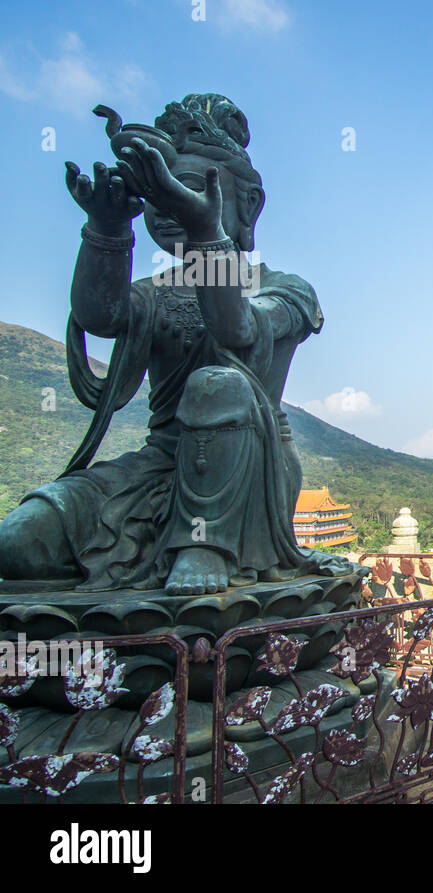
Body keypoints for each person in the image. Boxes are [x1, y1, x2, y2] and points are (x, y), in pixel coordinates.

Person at [0, 94, 346, 594]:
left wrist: (206, 232)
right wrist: (107, 226)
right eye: (157, 193)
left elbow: (238, 331)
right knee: (16, 542)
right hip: (157, 466)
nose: (169, 206)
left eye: (183, 189)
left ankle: (206, 545)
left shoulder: (285, 289)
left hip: (249, 475)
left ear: (246, 204)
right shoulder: (154, 293)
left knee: (216, 383)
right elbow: (100, 315)